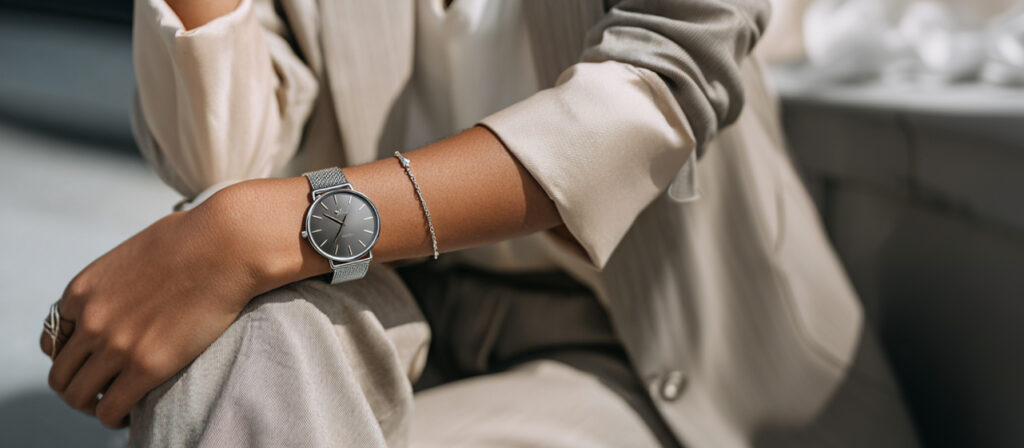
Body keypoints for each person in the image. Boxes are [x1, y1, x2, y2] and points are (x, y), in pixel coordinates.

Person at [39, 0, 920, 446]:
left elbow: (672, 75)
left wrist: (281, 227)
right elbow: (227, 163)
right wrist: (240, 229)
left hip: (648, 360)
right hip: (409, 331)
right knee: (243, 321)